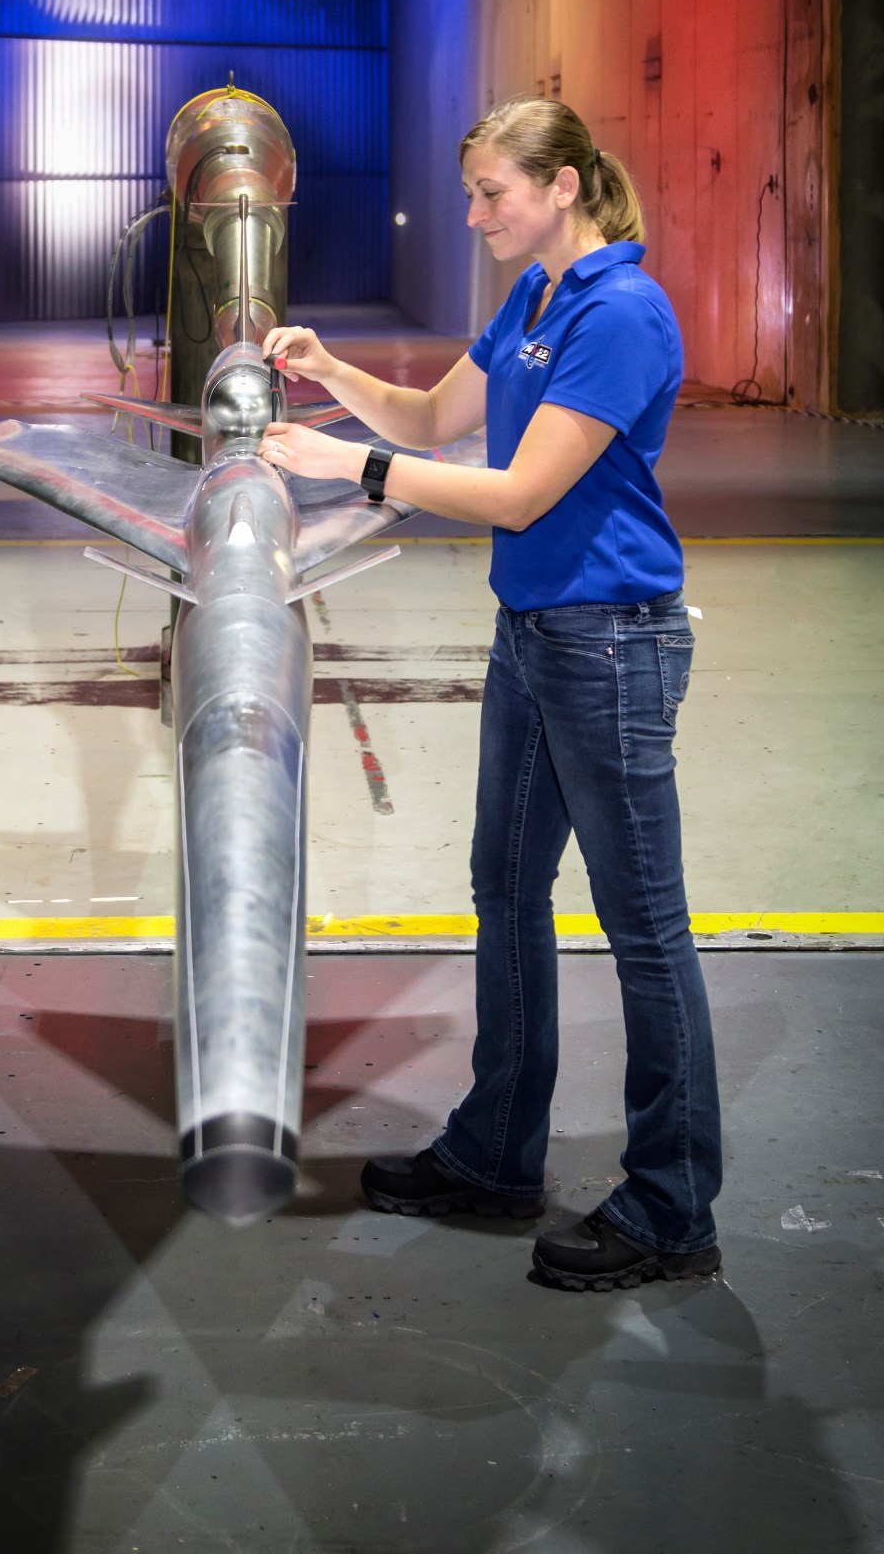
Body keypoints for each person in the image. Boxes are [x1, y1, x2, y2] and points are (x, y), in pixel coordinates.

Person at [258, 96, 721, 1294]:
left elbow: (516, 494)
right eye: (468, 193)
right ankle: (498, 1153)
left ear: (562, 185)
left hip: (610, 645)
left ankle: (672, 1206)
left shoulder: (622, 312)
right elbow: (426, 418)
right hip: (533, 635)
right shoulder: (534, 300)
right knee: (506, 887)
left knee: (646, 929)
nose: (473, 215)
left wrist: (349, 468)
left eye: (492, 193)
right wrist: (328, 373)